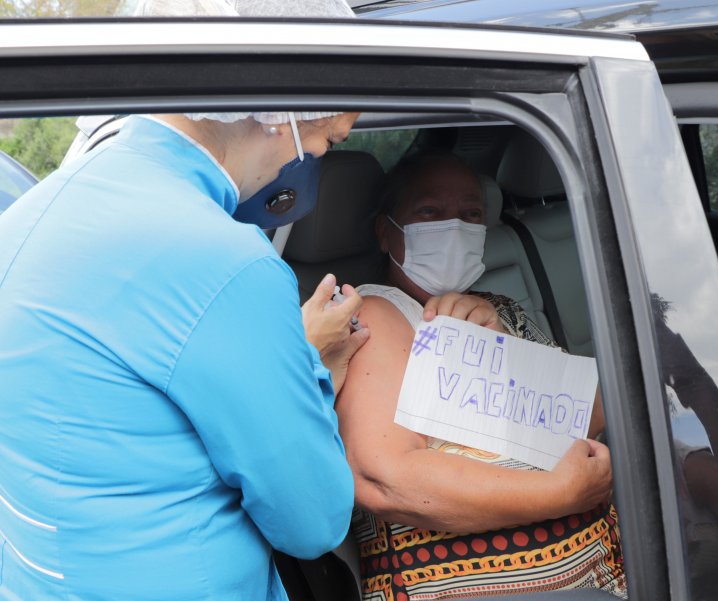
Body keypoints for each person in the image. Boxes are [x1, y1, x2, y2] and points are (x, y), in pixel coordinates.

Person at [0, 1, 369, 600]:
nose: (308, 163)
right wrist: (308, 370)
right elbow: (314, 521)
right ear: (280, 112)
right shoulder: (231, 266)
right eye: (326, 141)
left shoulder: (29, 216)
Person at [335, 152, 627, 601]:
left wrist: (501, 347)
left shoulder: (500, 308)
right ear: (384, 231)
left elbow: (593, 415)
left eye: (470, 214)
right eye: (430, 212)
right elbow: (384, 478)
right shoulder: (375, 315)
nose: (454, 226)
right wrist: (559, 494)